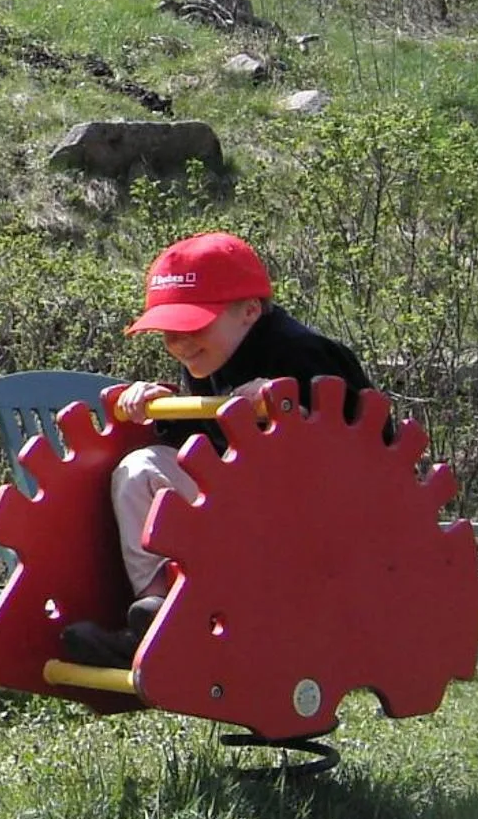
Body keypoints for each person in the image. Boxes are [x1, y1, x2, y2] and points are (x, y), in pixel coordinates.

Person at [59, 231, 373, 668]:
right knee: (138, 470)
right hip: (240, 503)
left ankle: (195, 626)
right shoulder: (210, 359)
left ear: (249, 312)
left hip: (316, 523)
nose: (182, 345)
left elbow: (371, 446)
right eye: (170, 334)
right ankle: (157, 613)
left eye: (194, 328)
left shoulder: (303, 353)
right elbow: (197, 444)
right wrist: (160, 406)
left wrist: (292, 407)